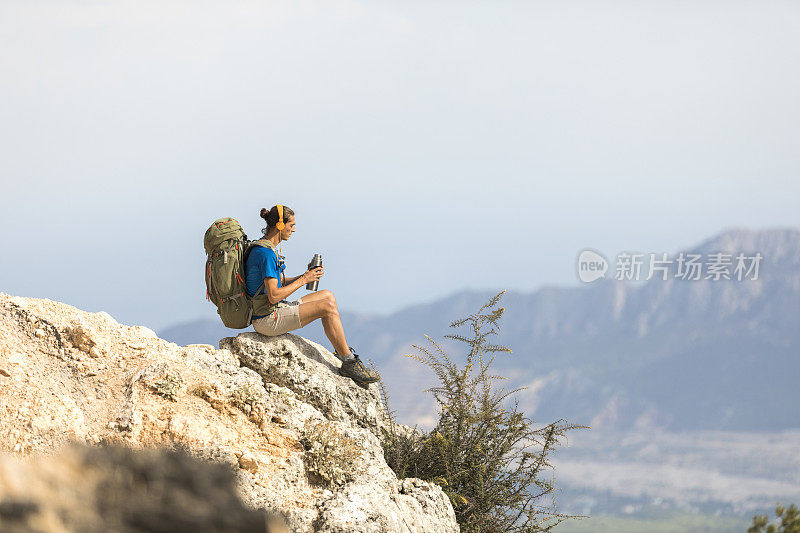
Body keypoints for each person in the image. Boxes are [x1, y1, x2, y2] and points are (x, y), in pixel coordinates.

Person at [244, 205, 380, 385]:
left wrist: (305, 276)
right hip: (267, 320)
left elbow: (274, 285)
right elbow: (274, 296)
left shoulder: (263, 247)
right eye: (291, 225)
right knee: (327, 308)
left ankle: (343, 354)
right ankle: (348, 361)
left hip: (272, 310)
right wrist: (304, 280)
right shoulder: (266, 253)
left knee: (327, 296)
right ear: (279, 225)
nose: (293, 229)